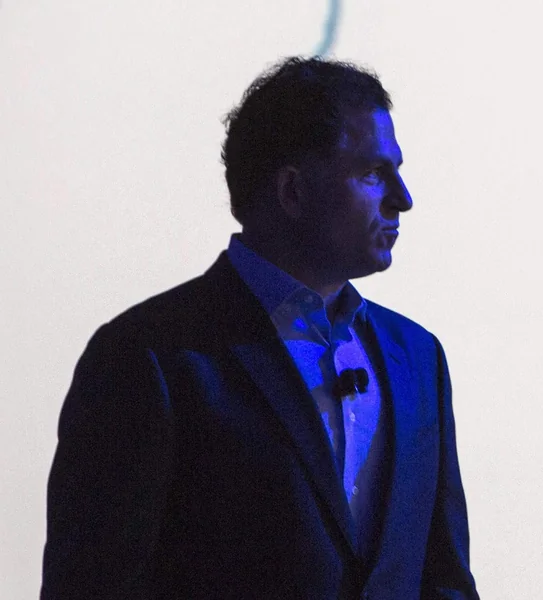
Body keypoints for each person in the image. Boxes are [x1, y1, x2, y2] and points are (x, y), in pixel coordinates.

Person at [41, 56, 479, 599]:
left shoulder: (417, 357)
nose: (403, 199)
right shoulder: (149, 358)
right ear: (292, 190)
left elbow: (445, 581)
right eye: (372, 173)